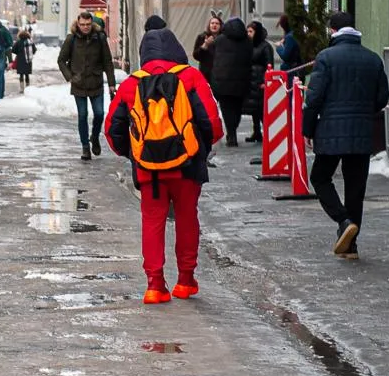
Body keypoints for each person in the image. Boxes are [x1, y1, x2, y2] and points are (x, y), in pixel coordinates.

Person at [106, 25, 221, 304]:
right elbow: (213, 123)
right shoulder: (190, 76)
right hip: (188, 165)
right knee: (186, 217)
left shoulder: (133, 83)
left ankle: (155, 284)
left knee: (153, 221)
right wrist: (200, 148)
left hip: (149, 168)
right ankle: (185, 280)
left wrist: (134, 153)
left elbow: (112, 129)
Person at [304, 11, 389, 259]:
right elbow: (382, 97)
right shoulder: (373, 59)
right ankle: (351, 246)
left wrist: (307, 129)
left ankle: (343, 221)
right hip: (362, 133)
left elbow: (314, 98)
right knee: (355, 188)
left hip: (331, 132)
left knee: (320, 178)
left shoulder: (326, 58)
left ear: (333, 31)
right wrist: (364, 113)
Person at [57, 11, 117, 161]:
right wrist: (70, 77)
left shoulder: (100, 38)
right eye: (82, 24)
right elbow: (61, 60)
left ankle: (94, 137)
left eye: (88, 24)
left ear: (92, 24)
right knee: (82, 115)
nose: (85, 27)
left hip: (95, 82)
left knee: (99, 114)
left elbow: (107, 62)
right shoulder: (71, 39)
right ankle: (85, 147)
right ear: (78, 24)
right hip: (79, 84)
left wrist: (111, 83)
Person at [208, 17, 251, 148]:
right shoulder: (248, 41)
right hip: (242, 81)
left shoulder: (219, 40)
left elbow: (212, 56)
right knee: (237, 108)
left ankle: (231, 134)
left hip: (223, 82)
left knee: (227, 110)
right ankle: (233, 130)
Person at [245, 20, 273, 143]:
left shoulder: (265, 46)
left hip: (260, 81)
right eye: (247, 31)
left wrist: (265, 81)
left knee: (262, 109)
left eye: (251, 31)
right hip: (251, 81)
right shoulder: (249, 45)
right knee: (254, 109)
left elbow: (269, 65)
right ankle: (256, 132)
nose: (248, 34)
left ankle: (268, 133)